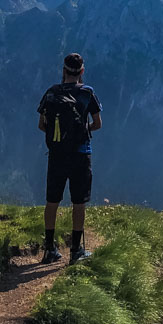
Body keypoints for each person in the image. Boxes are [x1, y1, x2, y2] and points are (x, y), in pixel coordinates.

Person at [37, 52, 102, 264]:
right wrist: (84, 130)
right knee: (79, 202)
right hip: (81, 155)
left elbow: (41, 125)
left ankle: (49, 249)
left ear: (63, 70)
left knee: (52, 201)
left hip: (56, 156)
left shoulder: (51, 93)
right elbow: (98, 123)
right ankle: (76, 251)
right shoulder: (87, 93)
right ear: (82, 71)